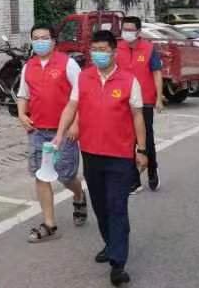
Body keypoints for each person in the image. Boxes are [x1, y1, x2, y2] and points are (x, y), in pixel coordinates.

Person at [54, 30, 147, 287]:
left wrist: (142, 150)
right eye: (94, 49)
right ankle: (110, 243)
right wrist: (59, 135)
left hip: (119, 155)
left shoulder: (129, 81)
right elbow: (72, 107)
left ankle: (118, 263)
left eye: (103, 50)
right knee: (100, 206)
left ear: (114, 52)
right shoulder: (84, 78)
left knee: (117, 206)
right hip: (91, 154)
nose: (98, 54)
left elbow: (138, 117)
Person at [17, 23, 87, 243]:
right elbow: (22, 94)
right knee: (40, 175)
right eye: (35, 38)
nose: (40, 42)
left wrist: (76, 124)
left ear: (54, 40)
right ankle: (49, 223)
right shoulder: (29, 66)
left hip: (64, 131)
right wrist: (21, 114)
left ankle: (79, 194)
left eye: (44, 37)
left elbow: (80, 96)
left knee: (66, 175)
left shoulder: (68, 64)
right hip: (37, 130)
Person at [116, 16, 163, 194]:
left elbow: (157, 73)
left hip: (145, 101)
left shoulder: (149, 49)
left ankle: (152, 169)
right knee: (127, 140)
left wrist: (159, 97)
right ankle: (134, 180)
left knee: (146, 139)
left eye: (130, 29)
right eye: (124, 29)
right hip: (122, 100)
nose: (127, 32)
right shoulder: (117, 48)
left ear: (138, 31)